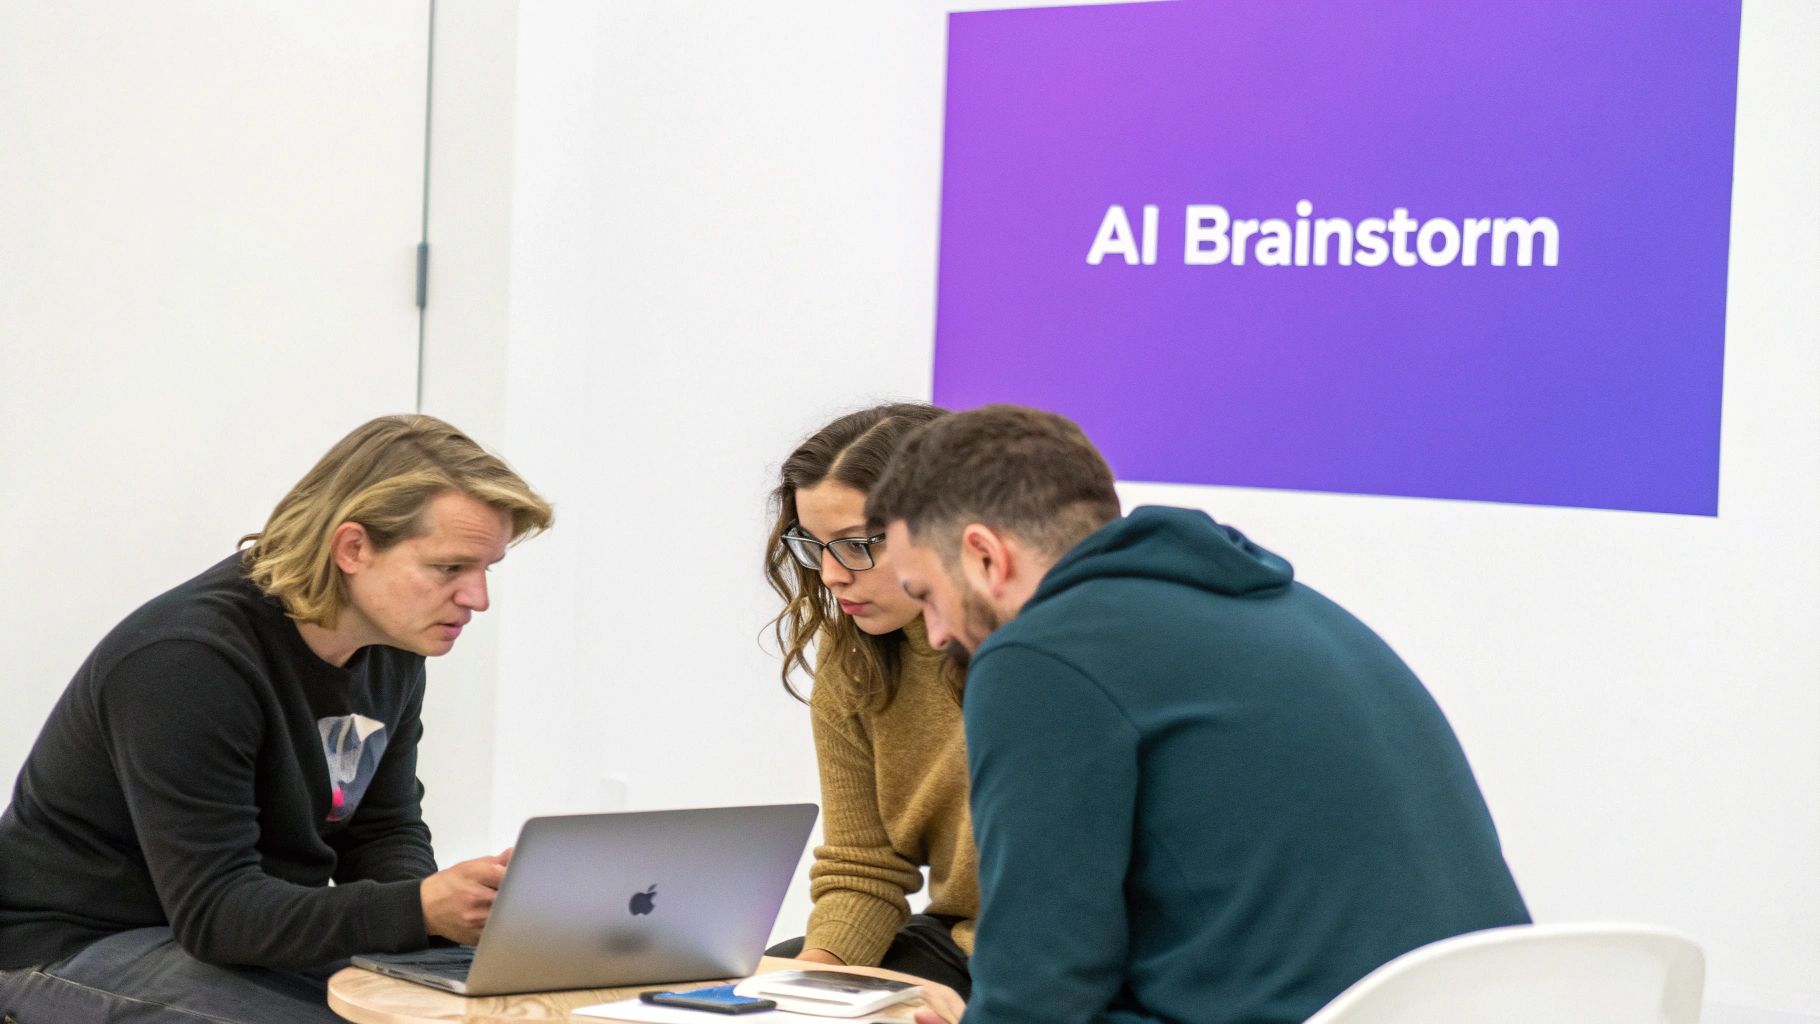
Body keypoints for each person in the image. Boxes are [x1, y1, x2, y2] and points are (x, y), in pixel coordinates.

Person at [866, 404, 1531, 1024]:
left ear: (985, 556)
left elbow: (1043, 985)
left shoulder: (1040, 655)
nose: (935, 634)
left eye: (927, 595)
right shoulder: (1300, 611)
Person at [0, 414, 553, 1024]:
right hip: (75, 946)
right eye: (450, 569)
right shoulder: (188, 661)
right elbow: (216, 912)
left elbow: (382, 833)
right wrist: (418, 909)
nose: (477, 598)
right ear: (353, 548)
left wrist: (434, 938)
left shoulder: (393, 647)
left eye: (485, 570)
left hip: (237, 935)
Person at [760, 403, 979, 997]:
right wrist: (815, 980)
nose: (830, 575)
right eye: (814, 545)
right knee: (770, 982)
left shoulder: (1046, 653)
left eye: (856, 545)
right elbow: (864, 867)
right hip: (957, 940)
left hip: (1057, 953)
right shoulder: (853, 656)